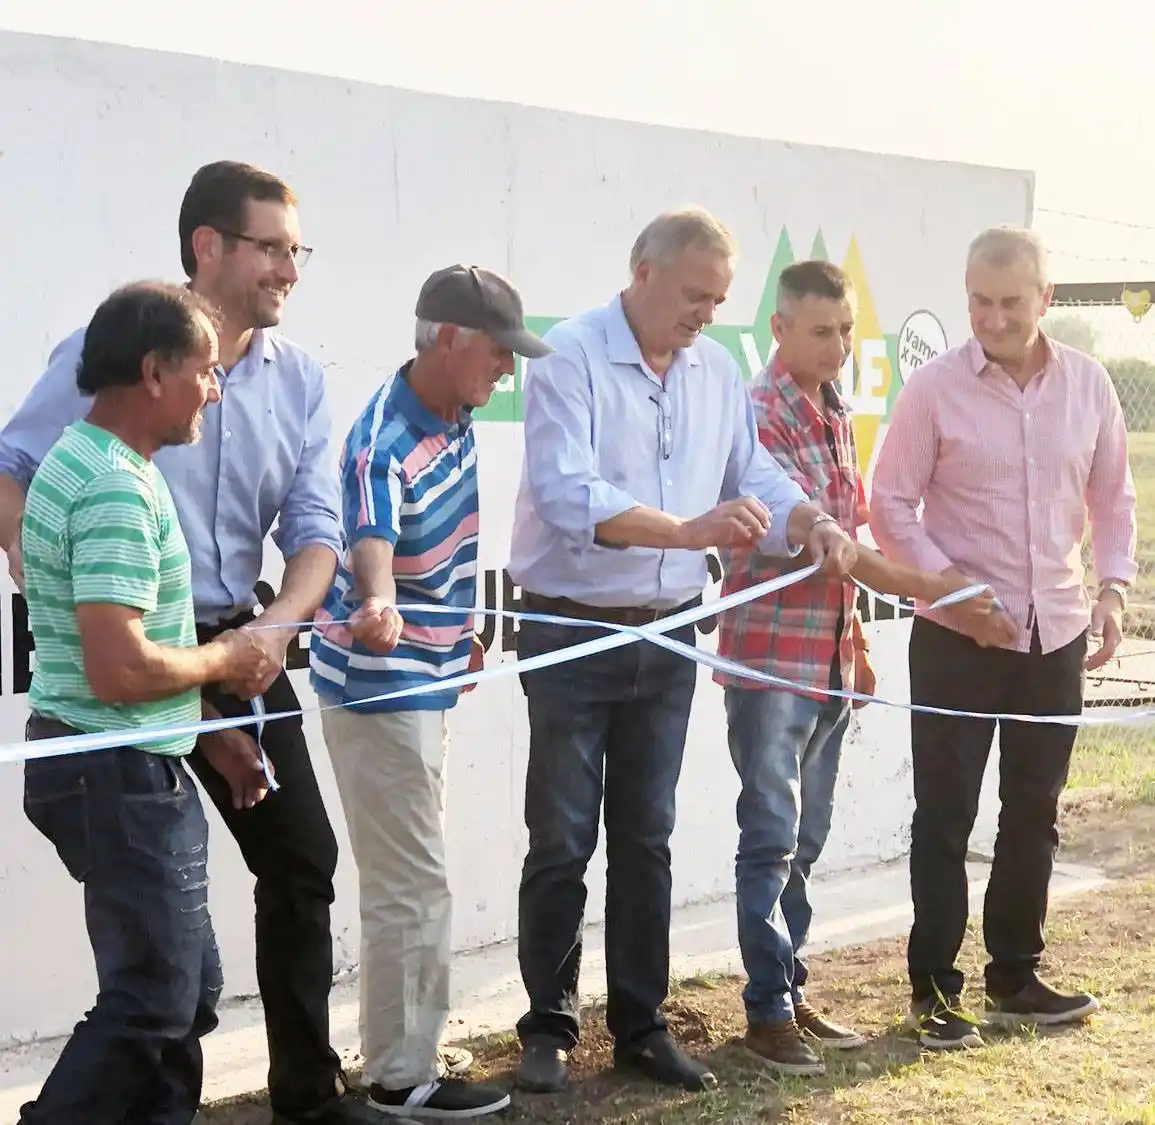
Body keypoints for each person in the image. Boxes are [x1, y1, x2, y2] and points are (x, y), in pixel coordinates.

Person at [0, 162, 378, 1123]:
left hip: (226, 648)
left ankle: (304, 1086)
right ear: (207, 246)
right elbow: (15, 474)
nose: (289, 269)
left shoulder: (295, 379)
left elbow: (316, 526)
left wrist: (265, 636)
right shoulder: (118, 376)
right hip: (140, 668)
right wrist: (62, 581)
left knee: (289, 871)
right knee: (161, 981)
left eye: (298, 249)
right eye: (271, 247)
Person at [506, 207, 859, 1095]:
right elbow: (563, 492)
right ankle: (548, 1028)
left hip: (666, 632)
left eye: (719, 299)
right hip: (572, 626)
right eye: (695, 295)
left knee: (646, 837)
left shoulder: (714, 368)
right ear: (642, 271)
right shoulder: (568, 355)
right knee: (559, 837)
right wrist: (685, 526)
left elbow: (753, 474)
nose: (706, 313)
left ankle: (639, 1025)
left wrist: (805, 515)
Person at [714, 260, 997, 1075]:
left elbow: (848, 535)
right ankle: (766, 1011)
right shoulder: (757, 416)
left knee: (804, 837)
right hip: (770, 662)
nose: (837, 346)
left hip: (828, 661)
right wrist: (937, 590)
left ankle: (789, 988)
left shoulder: (836, 407)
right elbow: (834, 550)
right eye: (820, 331)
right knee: (769, 836)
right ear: (777, 329)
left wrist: (860, 648)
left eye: (845, 330)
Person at [870, 226, 1138, 1050]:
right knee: (943, 815)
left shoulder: (1089, 385)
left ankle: (1015, 975)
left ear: (1044, 298)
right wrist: (950, 588)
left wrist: (1113, 590)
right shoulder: (931, 391)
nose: (991, 318)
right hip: (955, 639)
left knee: (1035, 812)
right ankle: (934, 990)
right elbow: (888, 505)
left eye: (1009, 302)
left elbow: (1113, 499)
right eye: (978, 302)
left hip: (1052, 634)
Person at [18, 281, 276, 1125]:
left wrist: (206, 730)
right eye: (205, 370)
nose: (215, 387)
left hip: (118, 760)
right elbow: (119, 671)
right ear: (154, 371)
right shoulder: (114, 489)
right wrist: (227, 658)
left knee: (182, 991)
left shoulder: (93, 461)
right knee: (155, 998)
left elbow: (121, 671)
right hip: (113, 770)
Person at [310, 264, 551, 1118]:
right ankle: (402, 1076)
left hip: (423, 682)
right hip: (380, 692)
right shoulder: (384, 436)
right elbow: (371, 537)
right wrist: (377, 598)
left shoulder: (455, 417)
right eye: (496, 351)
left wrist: (462, 633)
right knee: (413, 884)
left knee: (406, 880)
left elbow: (438, 552)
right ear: (446, 339)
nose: (507, 371)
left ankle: (397, 1060)